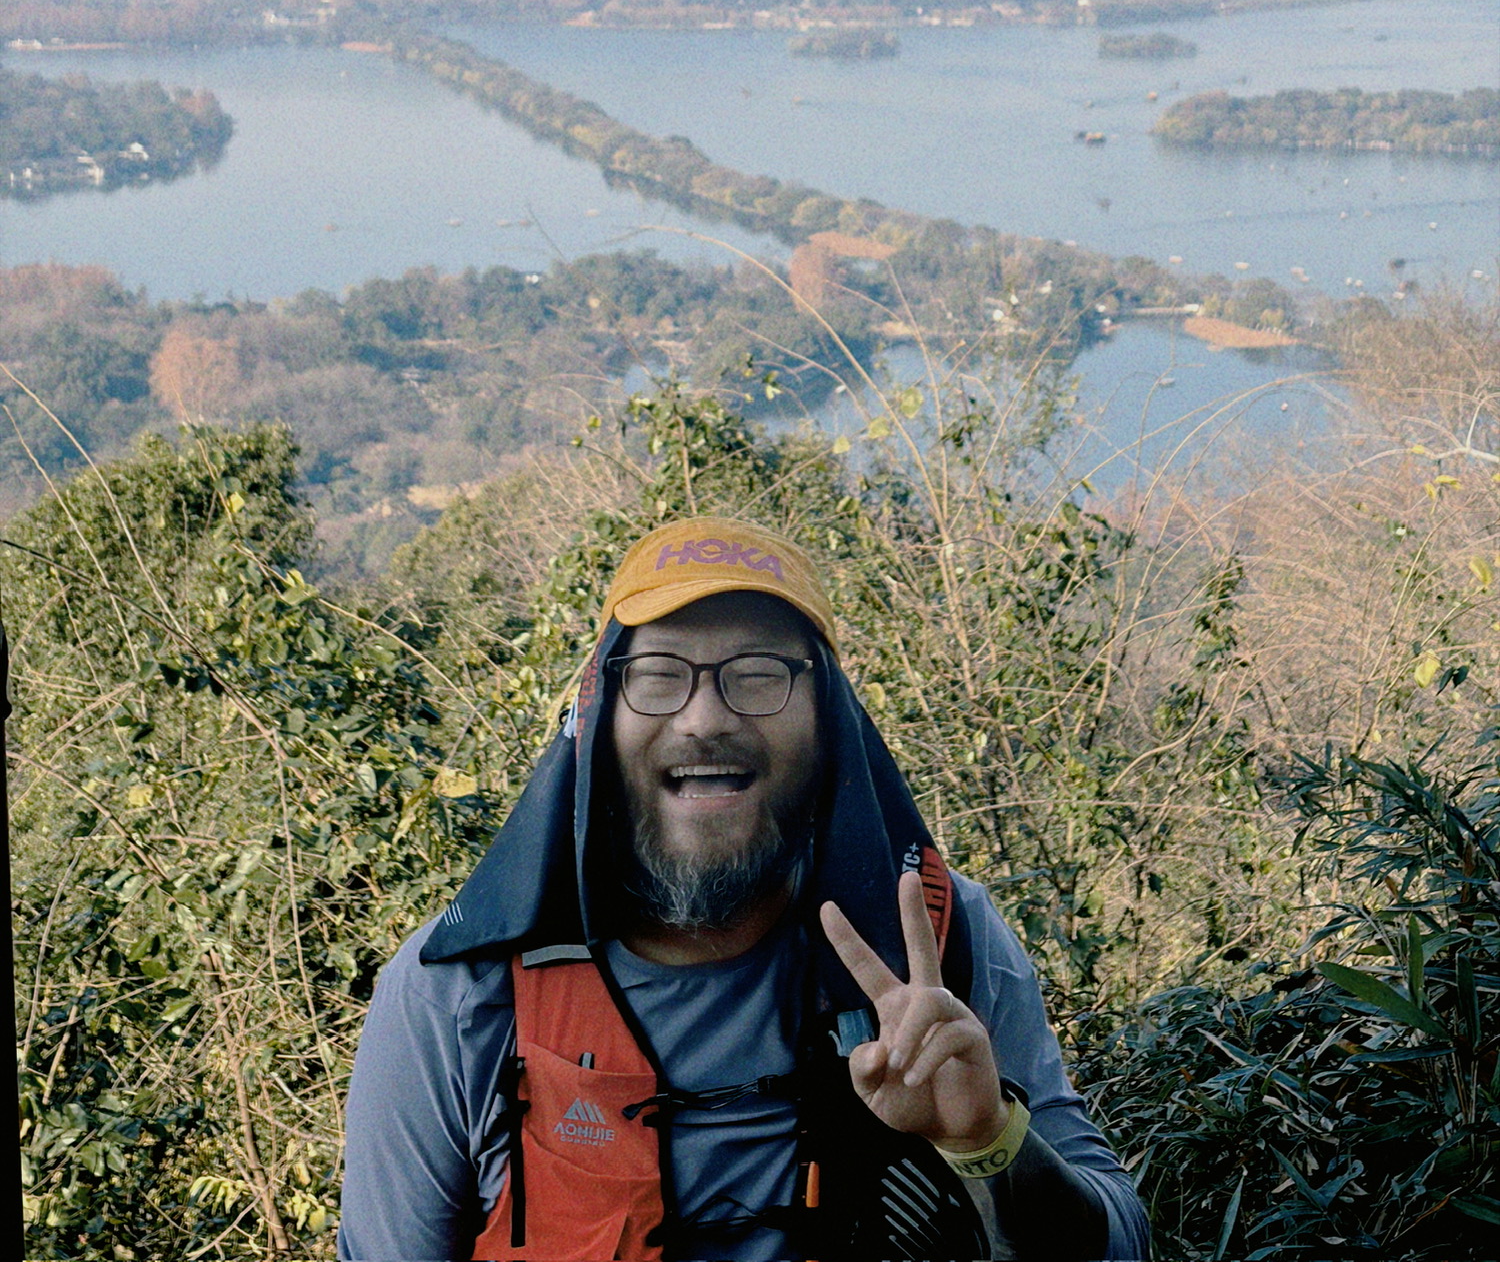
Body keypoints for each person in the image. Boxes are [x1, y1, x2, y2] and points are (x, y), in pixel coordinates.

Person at [338, 515, 1149, 1261]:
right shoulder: (462, 992)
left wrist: (986, 1140)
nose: (704, 719)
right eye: (658, 674)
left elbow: (1124, 1245)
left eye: (759, 675)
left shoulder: (933, 944)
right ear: (599, 714)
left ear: (828, 721)